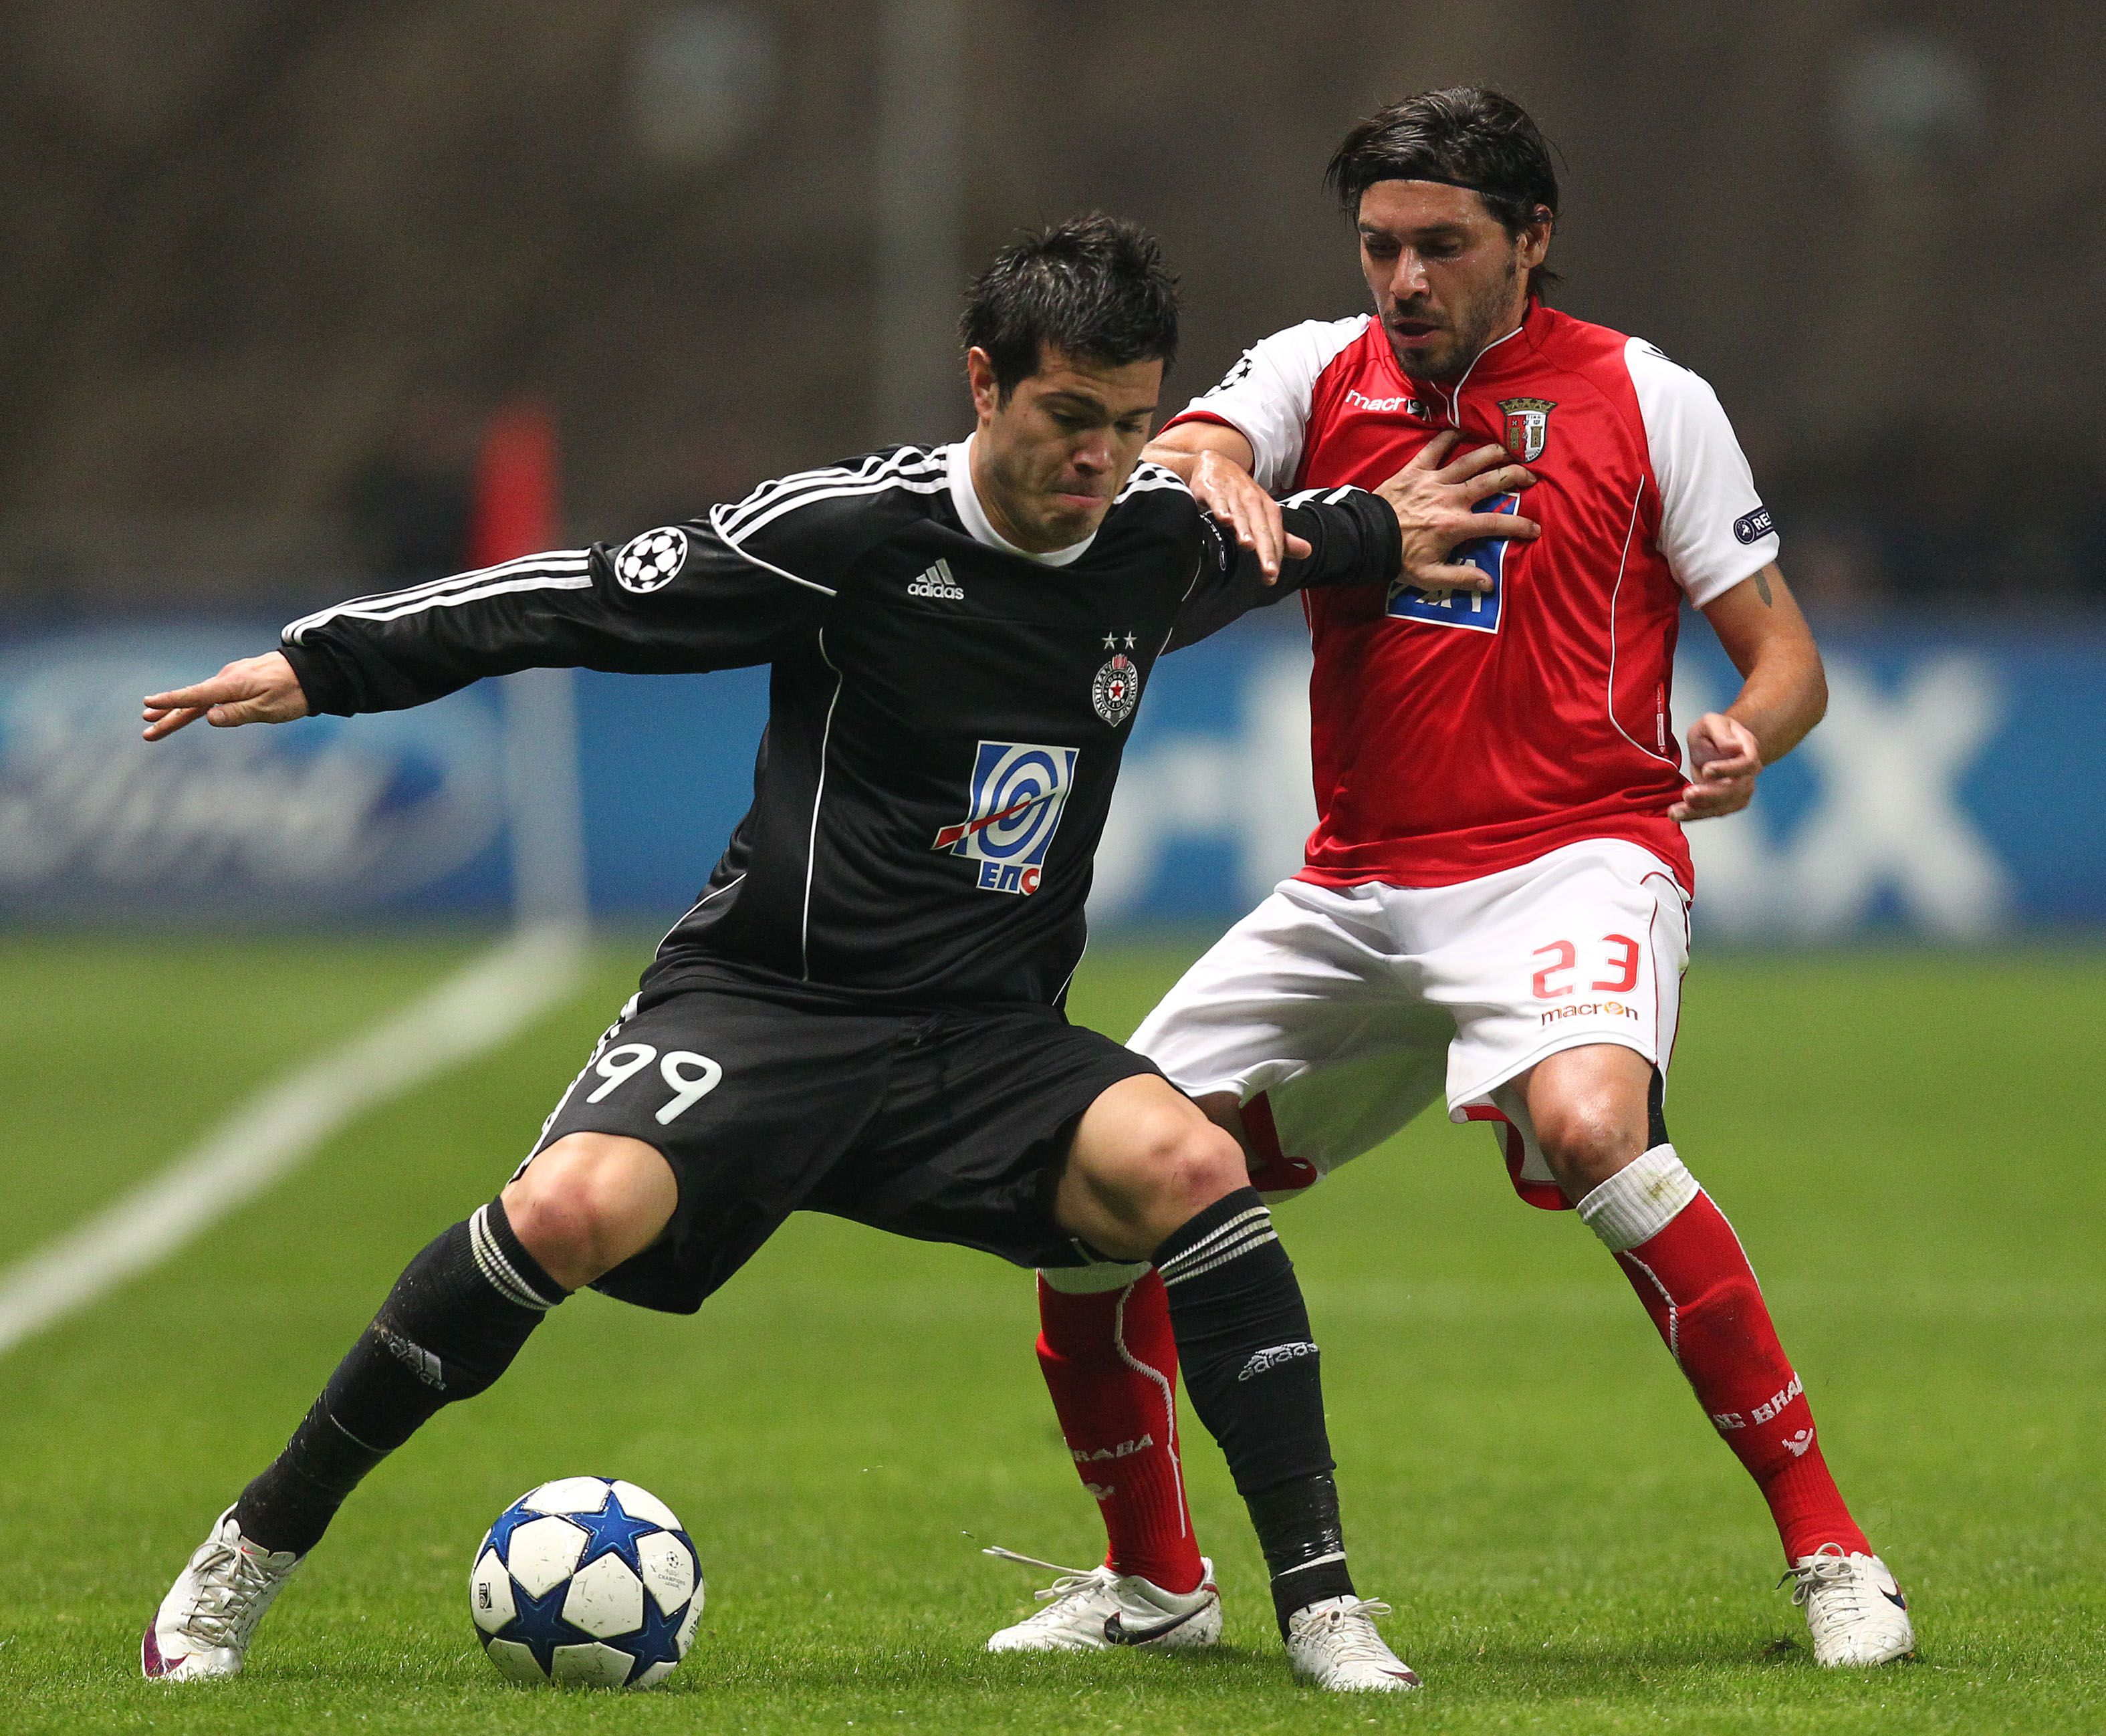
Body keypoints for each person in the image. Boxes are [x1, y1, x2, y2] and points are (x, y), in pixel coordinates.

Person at [133, 217, 1524, 1694]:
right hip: (768, 1006)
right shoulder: (846, 533)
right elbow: (583, 596)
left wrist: (1380, 522)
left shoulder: (1157, 541)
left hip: (983, 1042)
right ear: (983, 383)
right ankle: (251, 1550)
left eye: (1130, 425)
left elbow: (1301, 537)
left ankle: (1321, 1608)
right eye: (1069, 416)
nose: (1100, 459)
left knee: (1193, 1166)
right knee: (566, 1212)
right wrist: (326, 661)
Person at [988, 94, 1915, 1672]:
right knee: (1090, 1190)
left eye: (1442, 246)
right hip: (1356, 890)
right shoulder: (1316, 370)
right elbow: (1200, 441)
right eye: (1380, 247)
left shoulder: (1651, 398)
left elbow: (1788, 660)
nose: (1404, 280)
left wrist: (1746, 735)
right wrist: (1210, 466)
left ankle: (1834, 1552)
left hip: (1576, 858)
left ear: (1532, 239)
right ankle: (1157, 1586)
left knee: (1597, 1129)